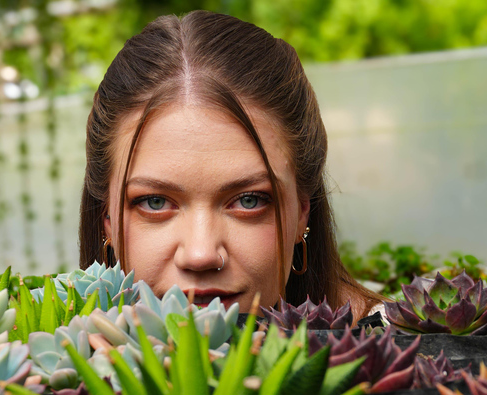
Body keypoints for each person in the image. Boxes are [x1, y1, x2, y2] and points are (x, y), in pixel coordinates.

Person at [78, 10, 383, 320]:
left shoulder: (409, 356)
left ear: (302, 211)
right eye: (154, 203)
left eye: (249, 200)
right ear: (108, 219)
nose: (201, 255)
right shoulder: (46, 359)